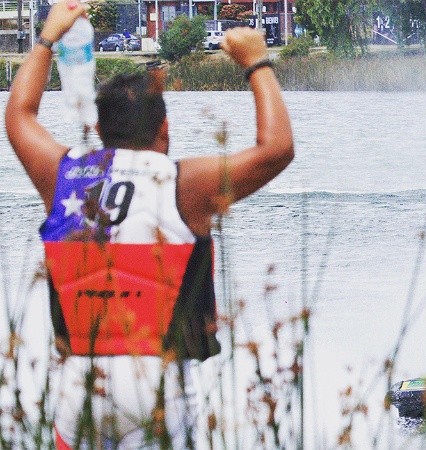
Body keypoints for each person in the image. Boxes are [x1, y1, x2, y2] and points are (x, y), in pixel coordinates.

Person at [5, 1, 293, 447]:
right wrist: (257, 62)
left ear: (99, 128)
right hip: (160, 385)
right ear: (165, 128)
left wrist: (47, 37)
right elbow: (277, 149)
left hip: (80, 381)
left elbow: (19, 114)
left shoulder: (64, 175)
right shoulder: (184, 184)